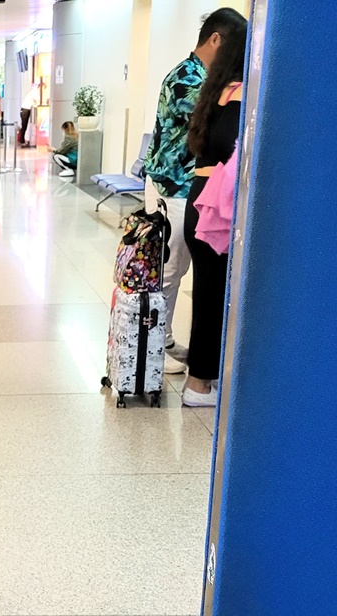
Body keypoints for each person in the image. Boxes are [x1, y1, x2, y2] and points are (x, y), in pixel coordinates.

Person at [144, 7, 247, 374]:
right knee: (169, 271)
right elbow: (213, 123)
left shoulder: (203, 77)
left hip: (189, 189)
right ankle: (154, 349)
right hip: (175, 187)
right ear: (215, 38)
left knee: (180, 270)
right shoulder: (189, 78)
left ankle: (164, 340)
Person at [181, 15, 247, 407]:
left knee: (208, 291)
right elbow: (229, 145)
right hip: (215, 206)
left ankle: (202, 377)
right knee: (211, 293)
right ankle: (200, 383)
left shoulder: (213, 91)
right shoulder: (236, 93)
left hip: (199, 196)